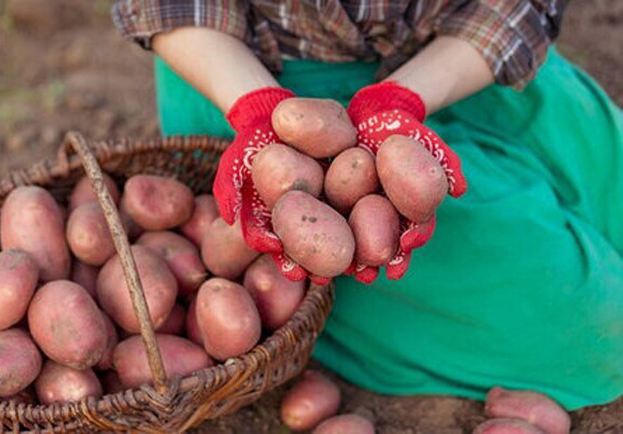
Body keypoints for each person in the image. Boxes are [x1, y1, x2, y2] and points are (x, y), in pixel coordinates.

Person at [111, 0, 623, 428]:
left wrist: (402, 98)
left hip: (462, 65)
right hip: (243, 73)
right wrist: (259, 107)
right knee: (600, 326)